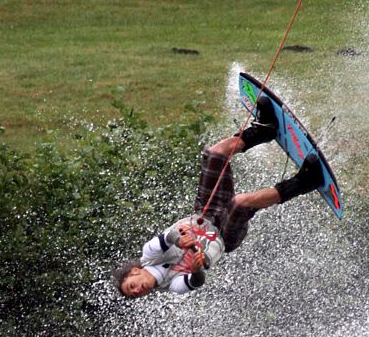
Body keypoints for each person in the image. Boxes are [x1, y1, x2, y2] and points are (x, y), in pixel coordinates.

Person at [112, 96, 324, 298]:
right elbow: (196, 281)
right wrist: (195, 269)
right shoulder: (172, 285)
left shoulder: (148, 255)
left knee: (214, 153)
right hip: (225, 236)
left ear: (134, 272)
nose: (138, 291)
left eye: (133, 286)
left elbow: (167, 238)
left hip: (204, 211)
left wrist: (180, 239)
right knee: (240, 203)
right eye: (135, 295)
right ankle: (304, 183)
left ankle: (263, 131)